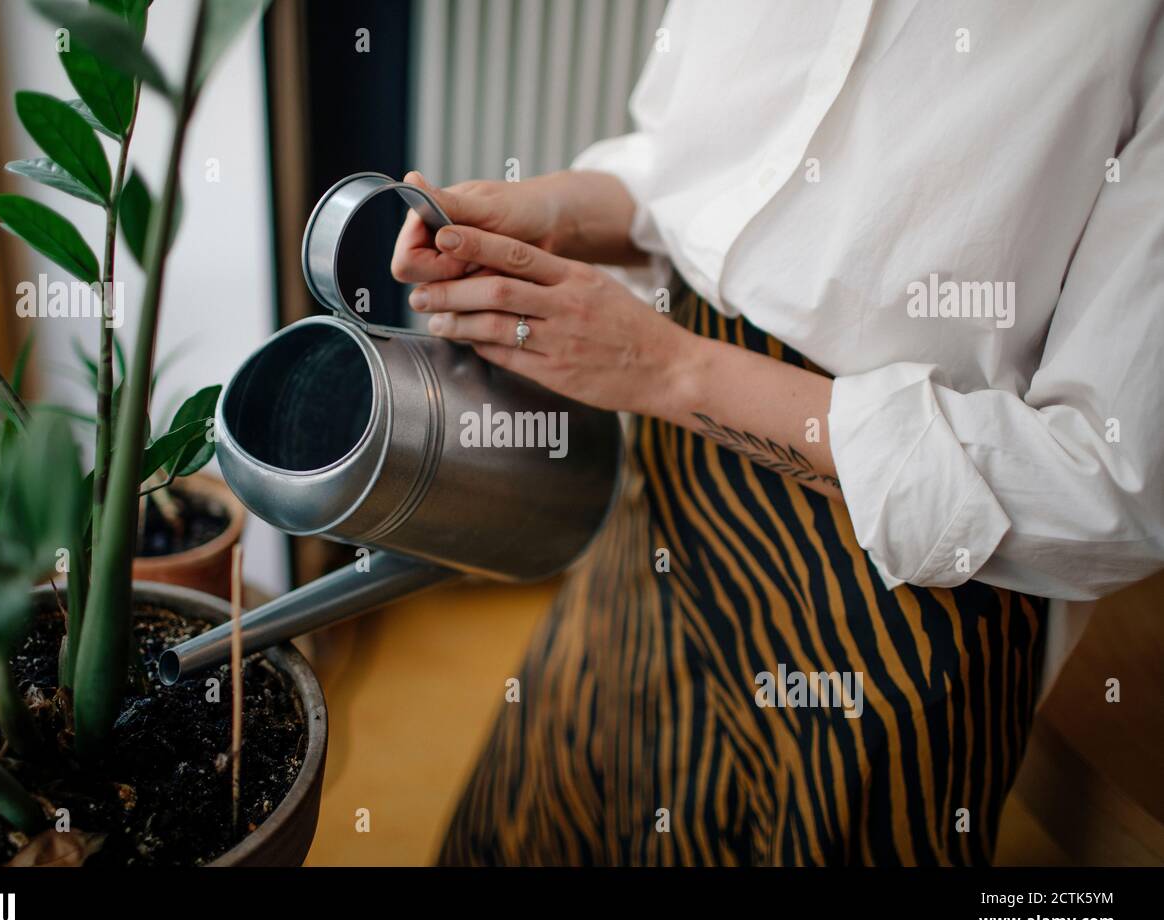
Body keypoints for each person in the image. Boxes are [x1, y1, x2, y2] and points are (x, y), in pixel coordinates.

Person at [391, 0, 1164, 865]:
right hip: (669, 487)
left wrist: (667, 370)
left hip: (890, 600)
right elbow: (688, 172)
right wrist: (545, 213)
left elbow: (1110, 487)